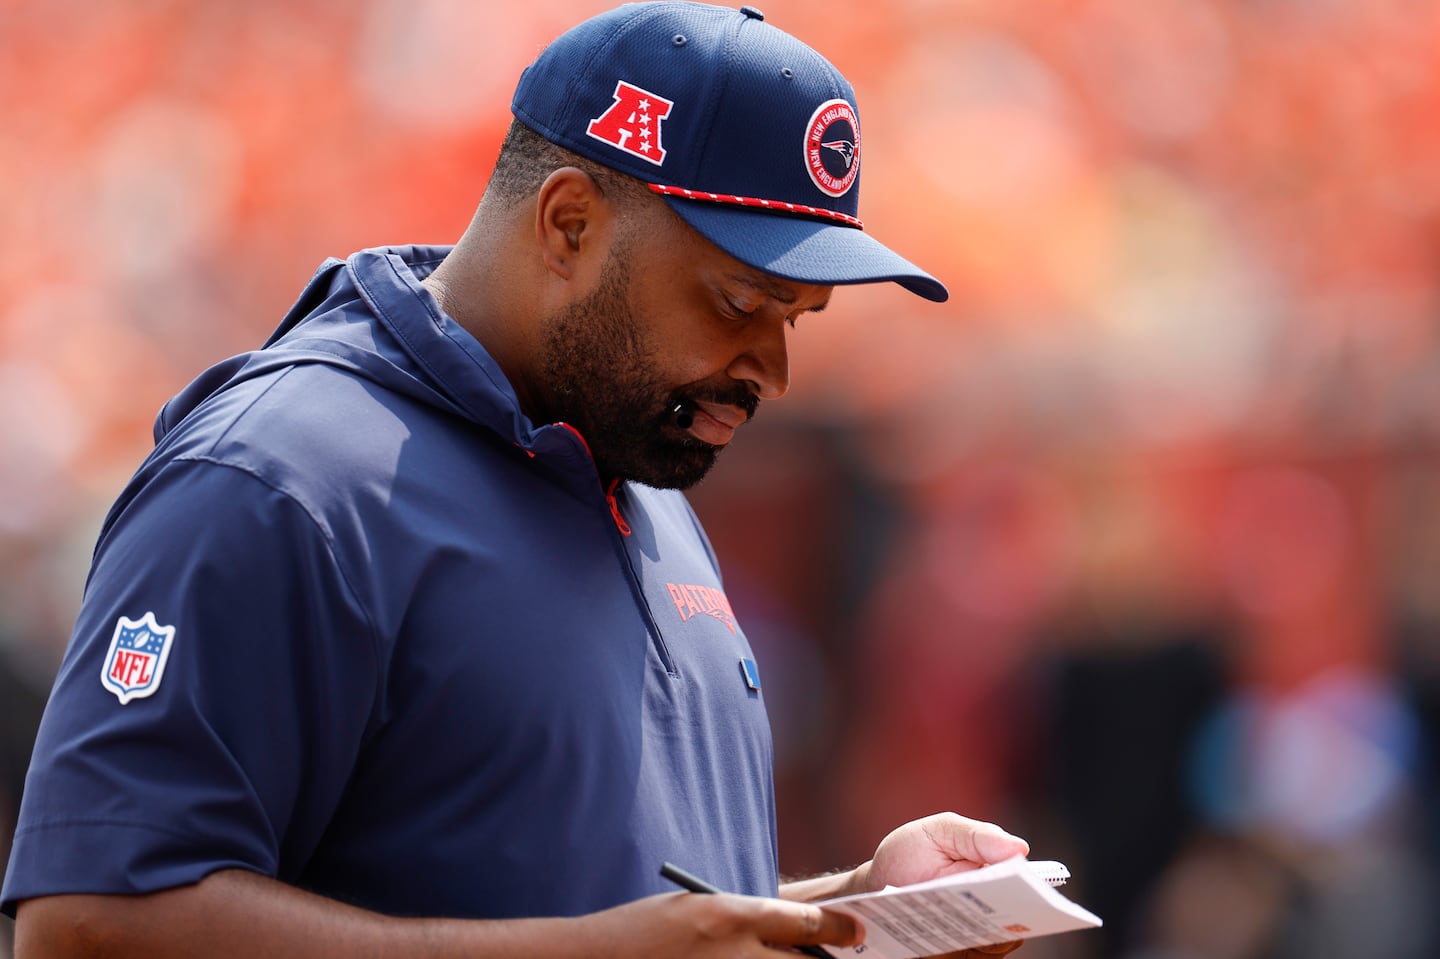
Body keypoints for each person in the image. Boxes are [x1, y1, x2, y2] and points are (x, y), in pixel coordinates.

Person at [2, 3, 1033, 956]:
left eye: (795, 317)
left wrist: (848, 911)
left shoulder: (636, 469)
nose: (774, 368)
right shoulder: (284, 478)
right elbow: (85, 919)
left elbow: (611, 903)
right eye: (737, 303)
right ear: (569, 223)